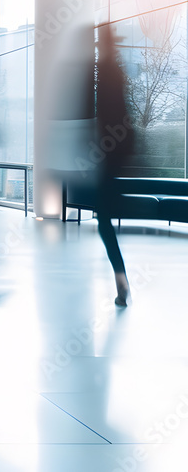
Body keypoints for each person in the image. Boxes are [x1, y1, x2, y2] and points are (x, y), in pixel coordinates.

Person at [95, 25, 135, 306]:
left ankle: (122, 282)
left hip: (108, 155)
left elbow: (107, 117)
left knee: (104, 221)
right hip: (113, 155)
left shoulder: (107, 71)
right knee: (104, 219)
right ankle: (121, 281)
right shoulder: (115, 71)